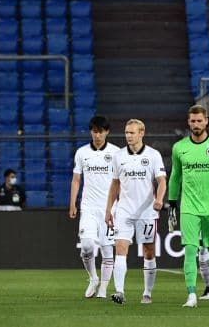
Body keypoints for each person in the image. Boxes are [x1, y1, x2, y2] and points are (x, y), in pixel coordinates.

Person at [167, 105, 209, 308]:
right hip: (189, 207)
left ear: (206, 121)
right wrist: (172, 205)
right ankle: (191, 295)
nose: (196, 124)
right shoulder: (179, 147)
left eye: (200, 121)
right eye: (192, 121)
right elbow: (175, 177)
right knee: (191, 250)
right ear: (188, 123)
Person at [105, 119, 167, 304]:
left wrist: (159, 200)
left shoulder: (153, 155)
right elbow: (115, 183)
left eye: (132, 133)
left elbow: (162, 181)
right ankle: (119, 292)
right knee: (120, 248)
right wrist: (109, 209)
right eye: (126, 132)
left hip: (147, 212)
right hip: (124, 211)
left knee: (148, 251)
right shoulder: (118, 156)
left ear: (142, 133)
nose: (128, 136)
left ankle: (147, 293)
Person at [69, 115, 120, 299]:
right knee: (87, 246)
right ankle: (93, 278)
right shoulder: (82, 152)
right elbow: (76, 179)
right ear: (91, 132)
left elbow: (120, 182)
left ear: (107, 132)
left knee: (107, 249)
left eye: (100, 132)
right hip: (88, 207)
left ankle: (104, 288)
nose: (97, 135)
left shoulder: (116, 153)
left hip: (109, 209)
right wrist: (72, 203)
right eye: (94, 131)